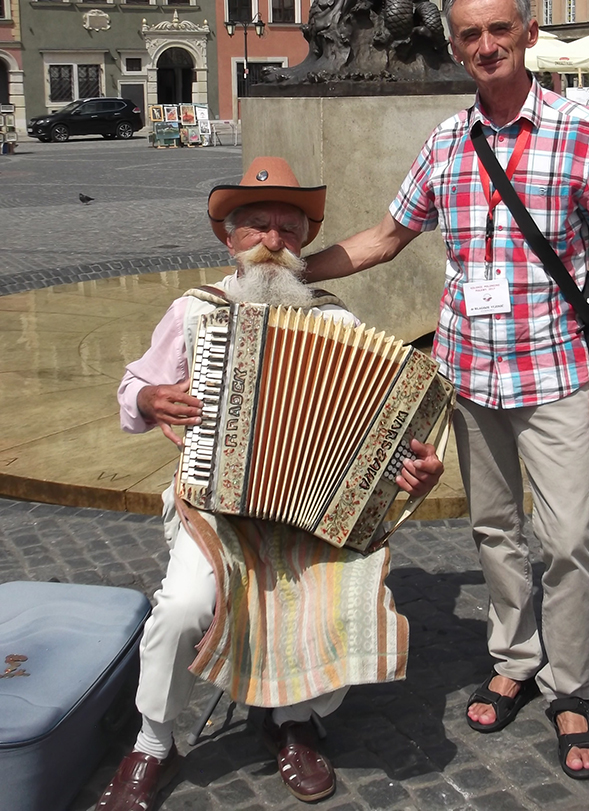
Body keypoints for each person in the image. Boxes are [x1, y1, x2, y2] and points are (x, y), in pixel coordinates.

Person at [304, 0, 589, 781]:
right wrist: (288, 268)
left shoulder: (579, 127)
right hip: (467, 372)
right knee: (493, 527)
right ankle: (515, 657)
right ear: (455, 47)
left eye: (498, 29)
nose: (485, 46)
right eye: (469, 35)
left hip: (555, 369)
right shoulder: (447, 141)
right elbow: (385, 236)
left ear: (528, 32)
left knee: (569, 537)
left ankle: (571, 686)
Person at [96, 157, 443, 810]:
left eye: (288, 227)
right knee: (182, 607)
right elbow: (134, 383)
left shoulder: (336, 323)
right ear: (229, 238)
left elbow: (386, 443)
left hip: (309, 516)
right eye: (257, 225)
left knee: (338, 599)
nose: (273, 240)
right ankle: (152, 742)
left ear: (305, 241)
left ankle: (293, 720)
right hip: (214, 511)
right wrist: (147, 399)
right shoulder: (194, 311)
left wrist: (413, 470)